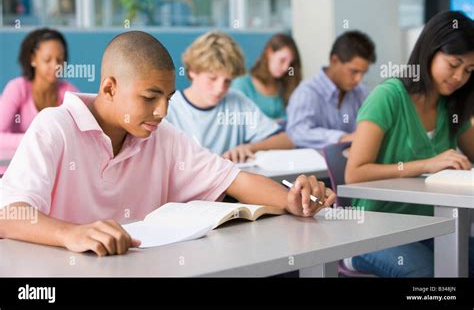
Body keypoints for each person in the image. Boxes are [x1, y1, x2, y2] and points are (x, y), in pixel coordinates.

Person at [0, 31, 336, 256]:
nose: (162, 111)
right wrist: (70, 234)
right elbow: (8, 215)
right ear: (109, 89)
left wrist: (293, 200)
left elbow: (238, 180)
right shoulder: (55, 126)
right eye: (150, 97)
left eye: (168, 98)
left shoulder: (162, 138)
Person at [345, 10, 474, 277]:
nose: (459, 77)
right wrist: (427, 164)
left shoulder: (451, 105)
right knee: (426, 274)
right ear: (430, 51)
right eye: (454, 64)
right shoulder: (388, 97)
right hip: (371, 229)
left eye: (469, 70)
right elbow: (355, 173)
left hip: (430, 226)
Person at [166, 31, 294, 163]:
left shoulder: (237, 101)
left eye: (227, 81)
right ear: (193, 71)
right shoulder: (169, 108)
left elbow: (287, 140)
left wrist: (250, 148)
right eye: (212, 78)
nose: (220, 88)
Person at [0, 28, 78, 172]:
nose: (55, 66)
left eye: (60, 59)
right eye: (47, 60)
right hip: (12, 170)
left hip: (50, 171)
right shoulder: (17, 88)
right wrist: (37, 139)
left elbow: (80, 134)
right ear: (33, 60)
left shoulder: (68, 92)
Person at [286, 31, 376, 150]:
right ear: (334, 61)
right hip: (314, 165)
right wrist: (341, 138)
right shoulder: (307, 92)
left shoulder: (361, 93)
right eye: (354, 71)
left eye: (363, 73)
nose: (359, 79)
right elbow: (296, 133)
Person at [232, 33, 302, 121]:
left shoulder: (285, 85)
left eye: (290, 64)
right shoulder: (242, 84)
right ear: (269, 53)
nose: (286, 68)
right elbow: (237, 122)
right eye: (282, 60)